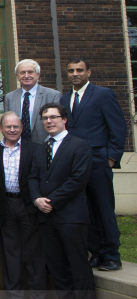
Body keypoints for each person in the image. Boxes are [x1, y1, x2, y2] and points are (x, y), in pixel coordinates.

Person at [28, 103, 97, 299]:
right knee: (57, 267)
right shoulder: (41, 148)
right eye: (45, 118)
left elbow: (78, 180)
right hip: (47, 218)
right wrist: (37, 198)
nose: (49, 121)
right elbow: (33, 178)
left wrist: (52, 201)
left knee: (78, 267)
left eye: (54, 117)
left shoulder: (79, 146)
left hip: (71, 217)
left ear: (64, 119)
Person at [60, 58, 127, 272]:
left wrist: (111, 157)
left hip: (99, 160)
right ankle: (96, 252)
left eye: (80, 70)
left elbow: (117, 127)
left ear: (89, 72)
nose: (75, 74)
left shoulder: (103, 94)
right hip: (75, 164)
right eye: (71, 71)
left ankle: (111, 254)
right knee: (85, 209)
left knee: (104, 208)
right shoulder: (65, 98)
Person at [0, 111, 47, 299]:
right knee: (10, 255)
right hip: (5, 208)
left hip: (28, 206)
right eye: (8, 126)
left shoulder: (35, 149)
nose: (12, 130)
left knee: (34, 255)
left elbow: (40, 179)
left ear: (22, 128)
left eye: (16, 127)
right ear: (0, 128)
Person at [3, 60, 60, 144]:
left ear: (38, 74)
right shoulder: (10, 97)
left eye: (30, 72)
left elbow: (57, 124)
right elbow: (7, 124)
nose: (26, 76)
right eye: (22, 73)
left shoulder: (53, 95)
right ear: (17, 76)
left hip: (45, 145)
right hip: (18, 145)